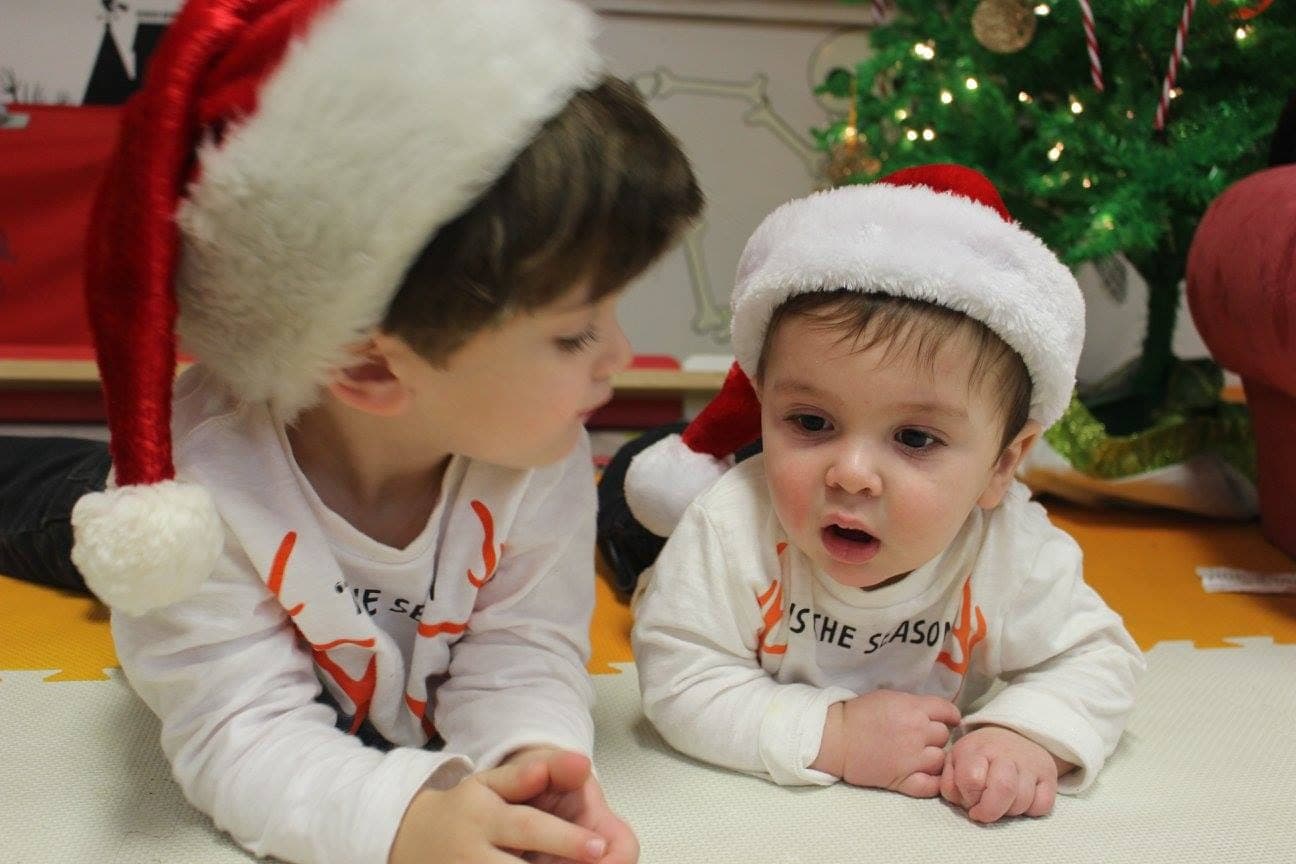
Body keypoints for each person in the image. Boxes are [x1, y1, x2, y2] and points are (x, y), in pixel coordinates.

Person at [0, 1, 702, 862]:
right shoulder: (199, 489)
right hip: (136, 499)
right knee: (51, 510)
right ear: (373, 369)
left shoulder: (538, 452)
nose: (619, 357)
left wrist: (526, 761)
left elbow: (521, 649)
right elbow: (239, 728)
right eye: (574, 332)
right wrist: (398, 821)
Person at [629, 165, 1144, 824]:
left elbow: (1097, 658)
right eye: (811, 423)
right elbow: (679, 677)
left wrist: (1025, 734)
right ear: (764, 409)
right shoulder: (733, 524)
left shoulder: (1011, 546)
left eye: (914, 438)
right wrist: (834, 736)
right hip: (684, 561)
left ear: (1001, 466)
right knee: (636, 534)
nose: (851, 474)